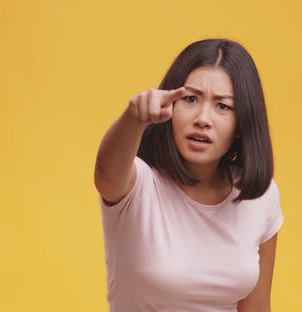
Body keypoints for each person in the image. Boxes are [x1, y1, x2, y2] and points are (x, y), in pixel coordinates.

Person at [94, 38, 285, 312]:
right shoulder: (138, 185)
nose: (203, 118)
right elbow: (105, 173)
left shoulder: (260, 196)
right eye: (191, 99)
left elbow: (256, 308)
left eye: (223, 106)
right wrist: (133, 118)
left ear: (242, 124)